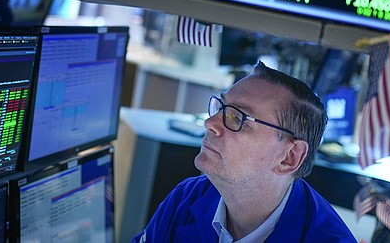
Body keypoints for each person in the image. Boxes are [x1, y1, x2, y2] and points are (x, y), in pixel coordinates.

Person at [133, 62, 356, 242]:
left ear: (289, 157)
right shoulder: (188, 197)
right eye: (221, 107)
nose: (210, 122)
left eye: (238, 118)